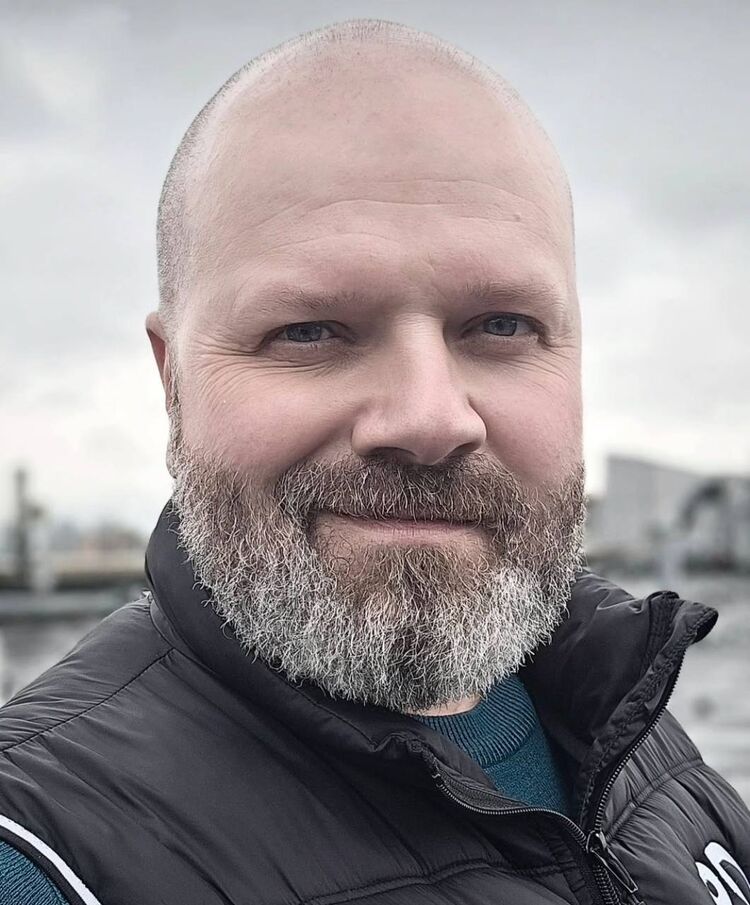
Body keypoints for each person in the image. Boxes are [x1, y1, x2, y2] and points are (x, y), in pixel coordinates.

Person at [0, 17, 748, 905]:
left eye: (502, 324)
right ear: (173, 382)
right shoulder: (40, 857)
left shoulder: (636, 732)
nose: (430, 419)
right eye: (309, 330)